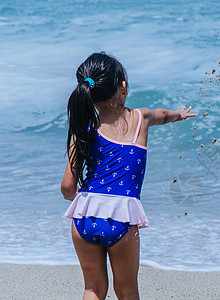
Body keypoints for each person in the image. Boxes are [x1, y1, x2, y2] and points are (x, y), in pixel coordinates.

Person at [60, 52, 197, 300]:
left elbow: (68, 188)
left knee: (93, 289)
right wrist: (180, 115)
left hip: (85, 216)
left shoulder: (84, 130)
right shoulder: (140, 118)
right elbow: (162, 115)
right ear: (123, 88)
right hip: (121, 217)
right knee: (127, 291)